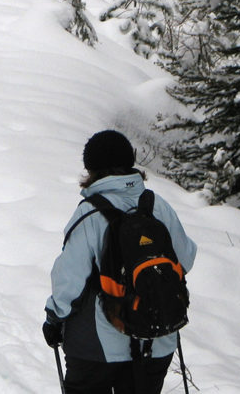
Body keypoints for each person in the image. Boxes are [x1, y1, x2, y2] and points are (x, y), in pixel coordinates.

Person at [43, 130, 197, 394]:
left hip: (97, 348)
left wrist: (54, 318)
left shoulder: (89, 214)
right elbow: (185, 258)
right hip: (157, 338)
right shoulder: (157, 206)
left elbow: (69, 280)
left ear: (90, 169)